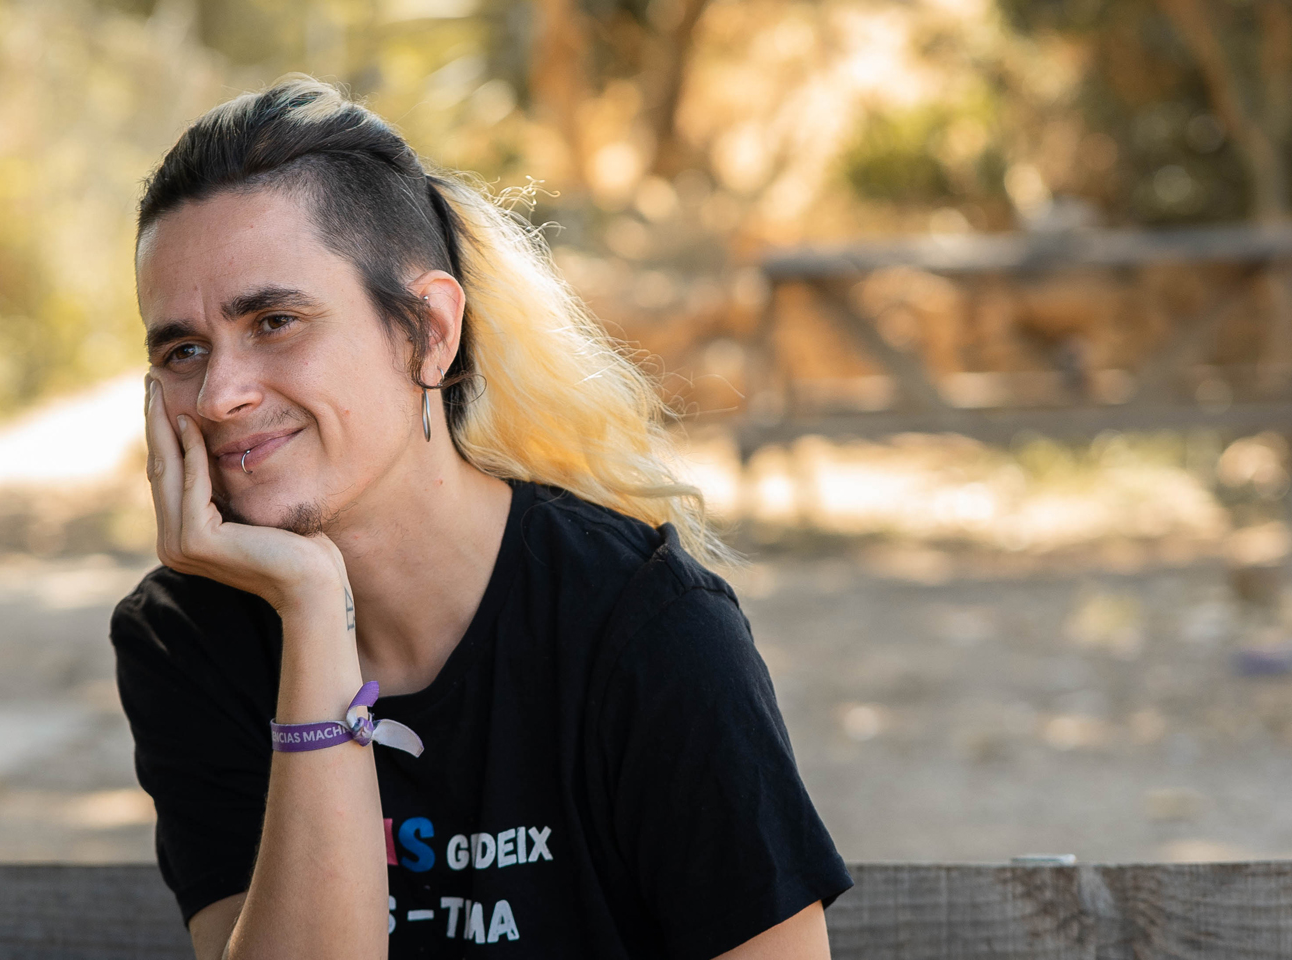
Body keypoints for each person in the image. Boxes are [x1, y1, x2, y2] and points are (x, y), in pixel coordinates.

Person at [111, 76, 850, 960]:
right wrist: (312, 610)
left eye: (275, 321)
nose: (219, 395)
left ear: (429, 331)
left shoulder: (645, 631)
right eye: (183, 350)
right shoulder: (189, 639)